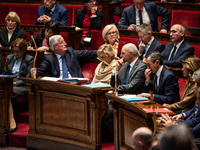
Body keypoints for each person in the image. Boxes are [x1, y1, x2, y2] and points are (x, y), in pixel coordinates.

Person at [3, 38, 34, 133]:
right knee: (5, 91)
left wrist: (16, 83)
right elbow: (4, 73)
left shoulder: (29, 59)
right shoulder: (9, 58)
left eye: (18, 51)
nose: (16, 53)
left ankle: (11, 121)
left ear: (23, 50)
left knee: (6, 92)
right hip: (9, 84)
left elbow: (28, 77)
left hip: (22, 86)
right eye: (14, 51)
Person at [31, 35, 97, 78]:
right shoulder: (49, 59)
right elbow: (39, 72)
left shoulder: (70, 52)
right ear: (55, 47)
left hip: (76, 85)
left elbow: (87, 53)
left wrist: (100, 52)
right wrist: (34, 72)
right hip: (60, 87)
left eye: (64, 41)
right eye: (62, 42)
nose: (65, 44)